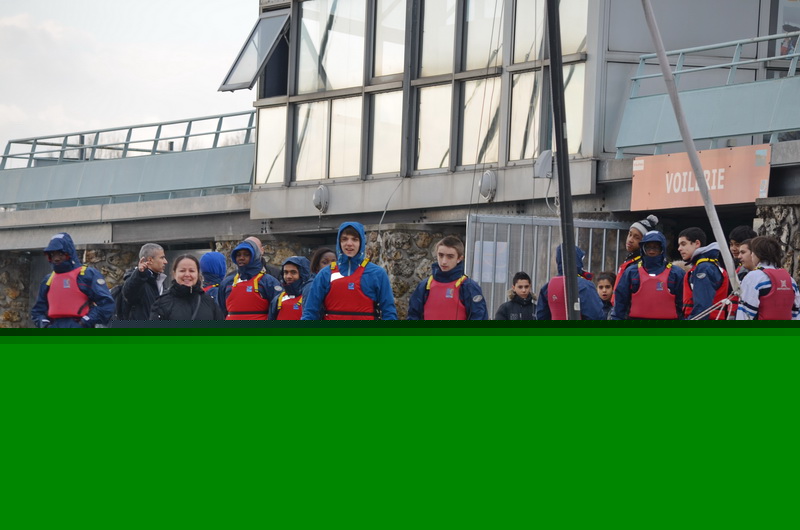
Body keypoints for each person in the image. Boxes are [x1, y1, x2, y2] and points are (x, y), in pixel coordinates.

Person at [302, 221, 397, 320]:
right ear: (339, 242)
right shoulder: (325, 274)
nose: (349, 244)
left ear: (361, 243)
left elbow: (389, 312)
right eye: (344, 239)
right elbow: (310, 312)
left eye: (354, 239)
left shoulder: (377, 273)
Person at [31, 232, 115, 328]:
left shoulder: (87, 275)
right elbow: (37, 312)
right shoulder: (48, 280)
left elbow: (106, 304)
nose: (56, 258)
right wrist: (45, 325)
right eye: (52, 254)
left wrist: (85, 322)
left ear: (69, 253)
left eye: (60, 253)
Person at [407, 236, 488, 320]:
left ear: (459, 258)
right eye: (441, 255)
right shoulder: (424, 285)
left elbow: (479, 317)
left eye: (450, 256)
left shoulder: (469, 286)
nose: (444, 261)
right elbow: (413, 316)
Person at [611, 231, 685, 320]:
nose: (651, 251)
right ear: (643, 248)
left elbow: (684, 305)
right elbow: (620, 304)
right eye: (648, 247)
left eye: (656, 247)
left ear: (662, 249)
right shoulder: (631, 272)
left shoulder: (676, 274)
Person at [218, 237, 283, 320]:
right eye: (238, 255)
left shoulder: (268, 281)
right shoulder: (227, 282)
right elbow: (221, 310)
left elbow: (278, 310)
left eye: (246, 254)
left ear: (254, 256)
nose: (241, 258)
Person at [736, 236, 800, 320]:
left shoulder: (754, 277)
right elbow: (796, 312)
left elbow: (745, 312)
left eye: (753, 252)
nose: (751, 255)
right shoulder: (790, 279)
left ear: (758, 254)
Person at [535, 244, 604, 320]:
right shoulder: (584, 286)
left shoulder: (548, 287)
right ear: (577, 260)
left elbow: (541, 315)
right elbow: (595, 315)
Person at [149, 254, 224, 321]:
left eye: (191, 271)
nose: (187, 274)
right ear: (174, 274)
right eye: (182, 271)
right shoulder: (162, 303)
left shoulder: (209, 302)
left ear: (198, 274)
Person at [677, 227, 731, 320]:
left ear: (697, 243)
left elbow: (702, 307)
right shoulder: (709, 265)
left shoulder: (704, 268)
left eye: (683, 244)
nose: (679, 249)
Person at [613, 215, 659, 300]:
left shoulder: (642, 264)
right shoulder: (631, 259)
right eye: (630, 234)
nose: (630, 240)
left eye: (636, 237)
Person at [122, 242, 168, 321]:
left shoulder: (159, 280)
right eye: (162, 258)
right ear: (150, 260)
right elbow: (128, 293)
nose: (165, 261)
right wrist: (140, 274)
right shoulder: (137, 279)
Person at [270, 256, 313, 320]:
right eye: (286, 272)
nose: (288, 276)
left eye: (293, 272)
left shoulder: (312, 297)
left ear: (303, 274)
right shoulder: (278, 299)